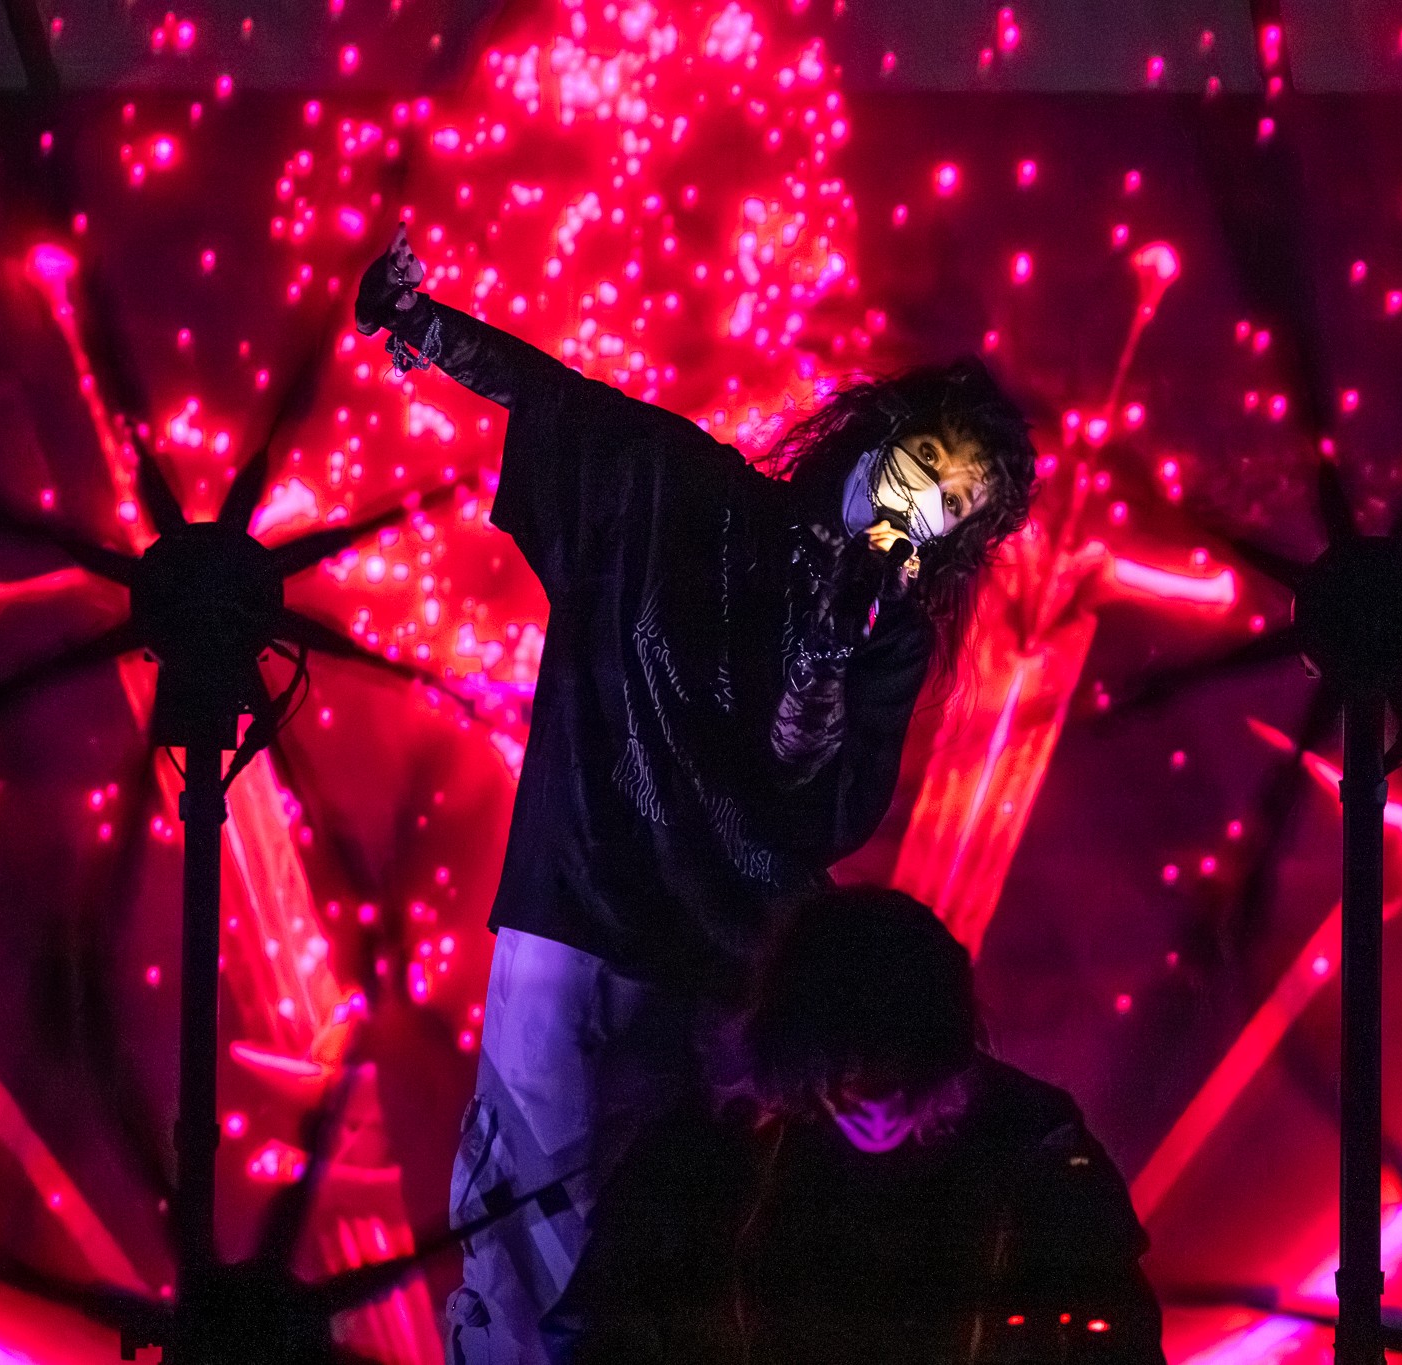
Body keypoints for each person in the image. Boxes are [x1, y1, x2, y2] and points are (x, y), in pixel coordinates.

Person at [353, 226, 1038, 1365]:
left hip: (728, 965)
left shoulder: (889, 639)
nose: (914, 507)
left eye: (947, 511)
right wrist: (422, 328)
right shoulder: (683, 490)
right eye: (921, 469)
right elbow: (558, 405)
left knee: (709, 1241)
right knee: (526, 1223)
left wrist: (827, 660)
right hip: (579, 905)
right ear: (878, 436)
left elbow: (816, 792)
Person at [557, 884, 1166, 1365]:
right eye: (852, 1080)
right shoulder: (710, 1157)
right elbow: (609, 1332)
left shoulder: (1035, 1149)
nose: (878, 1107)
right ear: (799, 1055)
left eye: (901, 1077)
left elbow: (1116, 1339)